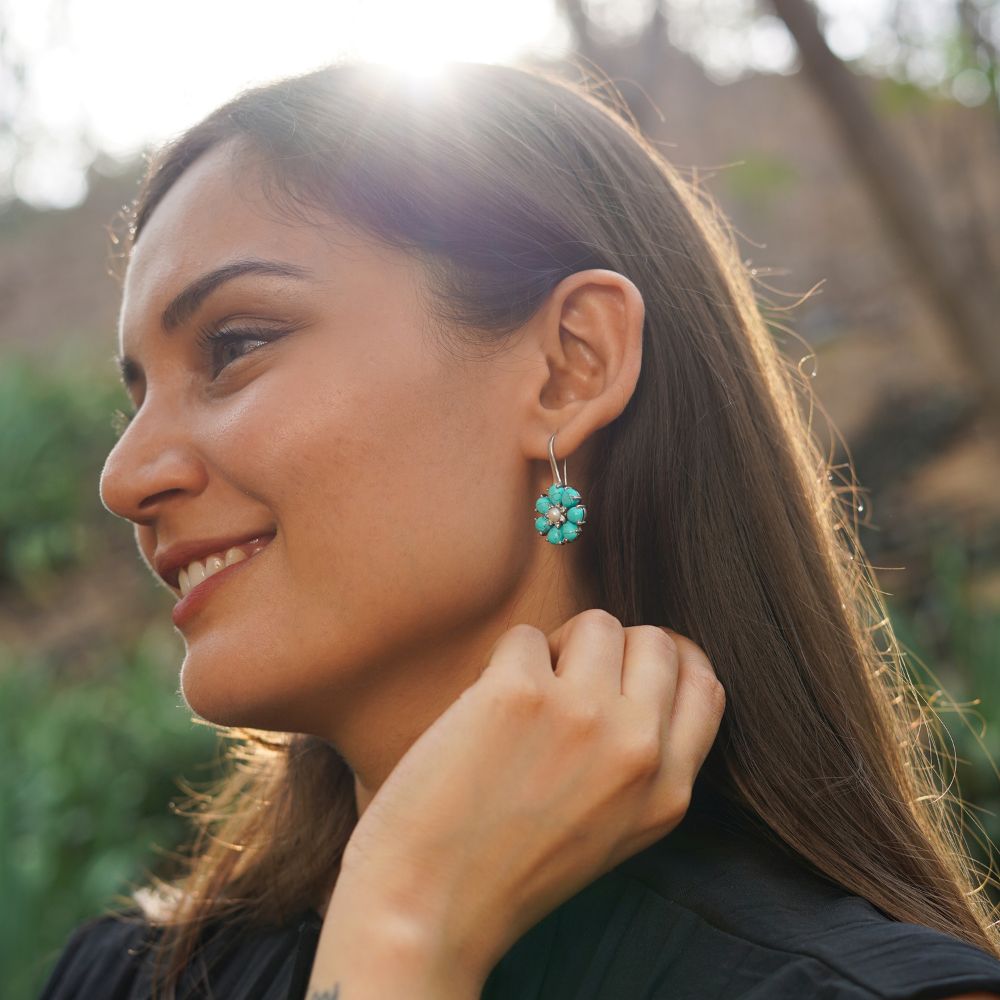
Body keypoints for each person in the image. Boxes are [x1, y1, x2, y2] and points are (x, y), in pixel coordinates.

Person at [37, 59, 1000, 1000]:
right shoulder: (119, 977)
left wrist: (404, 921)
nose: (124, 479)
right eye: (136, 401)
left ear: (567, 368)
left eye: (235, 346)